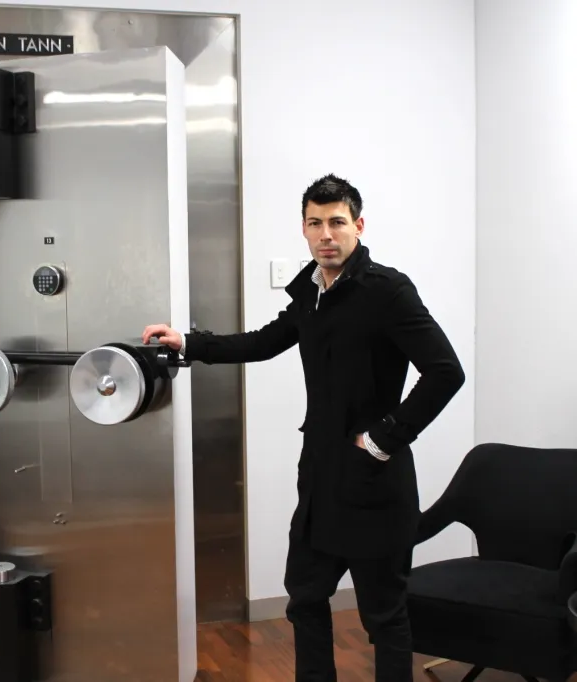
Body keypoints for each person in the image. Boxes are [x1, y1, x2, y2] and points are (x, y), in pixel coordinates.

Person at [141, 173, 465, 682]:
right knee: (306, 601)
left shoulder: (388, 291)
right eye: (315, 223)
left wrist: (384, 437)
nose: (325, 234)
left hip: (377, 484)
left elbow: (446, 371)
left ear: (358, 225)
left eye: (337, 222)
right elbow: (262, 342)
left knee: (384, 619)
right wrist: (188, 341)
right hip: (320, 481)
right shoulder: (311, 294)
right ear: (304, 229)